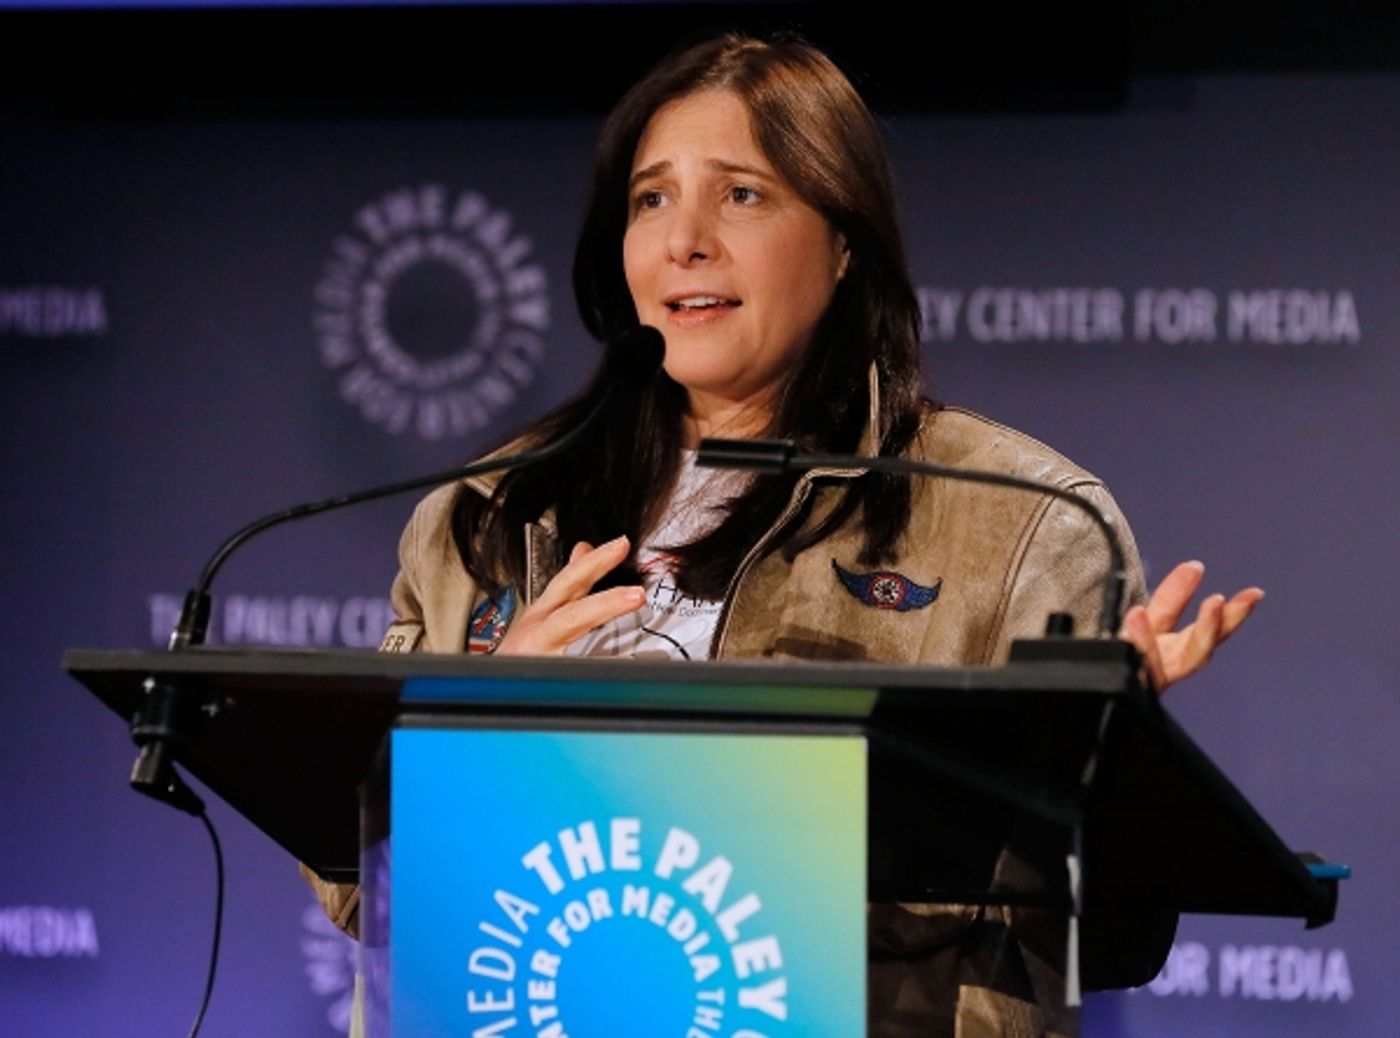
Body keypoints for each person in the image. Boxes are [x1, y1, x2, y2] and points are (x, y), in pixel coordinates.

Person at [307, 32, 1262, 1036]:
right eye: (650, 198)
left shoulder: (1016, 518)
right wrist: (476, 724)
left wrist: (1104, 768)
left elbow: (1091, 946)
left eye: (742, 195)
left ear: (844, 243)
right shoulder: (492, 511)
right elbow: (359, 892)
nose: (683, 240)